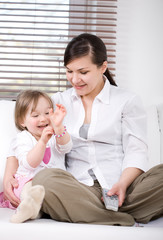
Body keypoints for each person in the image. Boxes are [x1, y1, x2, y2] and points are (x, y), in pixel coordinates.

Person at [3, 33, 163, 226]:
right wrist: (7, 177)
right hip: (78, 188)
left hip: (123, 185)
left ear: (102, 67)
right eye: (69, 71)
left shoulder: (126, 100)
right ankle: (117, 217)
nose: (74, 79)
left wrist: (122, 184)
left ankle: (95, 211)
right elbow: (27, 136)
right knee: (44, 180)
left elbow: (136, 150)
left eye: (83, 72)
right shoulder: (57, 102)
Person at [1, 90, 72, 223]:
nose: (43, 119)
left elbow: (66, 147)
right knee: (29, 187)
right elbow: (30, 163)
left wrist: (59, 127)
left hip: (53, 185)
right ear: (22, 121)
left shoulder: (55, 134)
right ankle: (29, 205)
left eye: (47, 113)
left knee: (59, 191)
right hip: (28, 182)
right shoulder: (22, 138)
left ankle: (33, 211)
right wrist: (42, 142)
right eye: (35, 115)